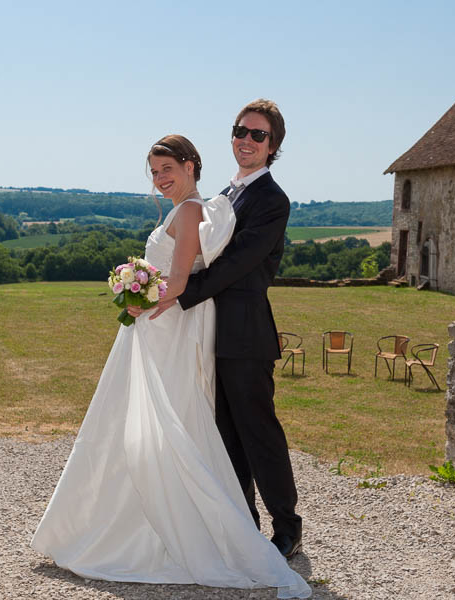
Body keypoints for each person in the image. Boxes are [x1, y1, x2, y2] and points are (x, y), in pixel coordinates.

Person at [30, 135, 310, 599]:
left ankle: (266, 525)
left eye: (167, 170)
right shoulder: (214, 199)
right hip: (169, 325)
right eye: (155, 173)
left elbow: (183, 278)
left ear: (190, 165)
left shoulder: (199, 208)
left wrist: (139, 297)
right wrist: (137, 284)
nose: (161, 179)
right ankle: (217, 516)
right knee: (182, 423)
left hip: (180, 324)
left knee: (186, 421)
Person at [150, 99, 303, 560]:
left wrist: (180, 291)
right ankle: (241, 524)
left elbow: (238, 265)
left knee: (258, 433)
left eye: (258, 135)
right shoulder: (227, 192)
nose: (246, 140)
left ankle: (288, 526)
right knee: (224, 436)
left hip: (244, 332)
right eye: (240, 131)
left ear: (272, 145)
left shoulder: (272, 201)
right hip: (207, 332)